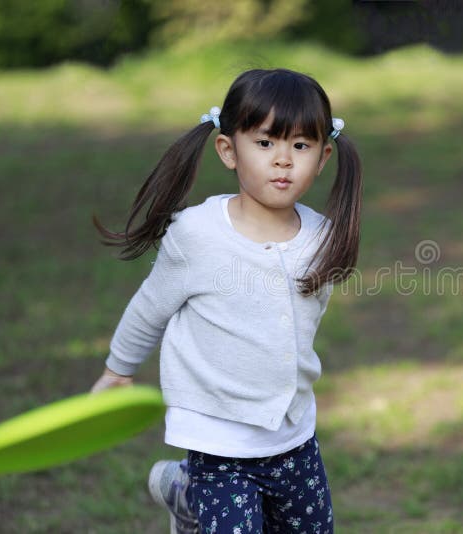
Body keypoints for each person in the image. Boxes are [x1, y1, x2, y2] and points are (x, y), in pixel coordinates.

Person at [89, 68, 362, 534]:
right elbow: (150, 308)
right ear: (228, 150)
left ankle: (185, 492)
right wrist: (119, 370)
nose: (283, 160)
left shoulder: (323, 237)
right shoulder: (197, 234)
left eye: (300, 146)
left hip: (294, 437)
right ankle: (195, 489)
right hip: (218, 442)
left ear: (323, 157)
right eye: (265, 143)